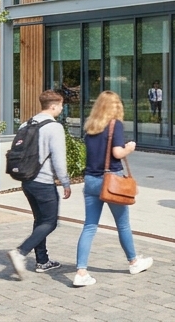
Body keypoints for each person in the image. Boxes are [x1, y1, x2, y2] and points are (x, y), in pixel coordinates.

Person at [73, 91, 153, 288]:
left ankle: (81, 271)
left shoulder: (91, 127)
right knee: (123, 224)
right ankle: (134, 262)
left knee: (89, 226)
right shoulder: (114, 125)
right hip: (110, 181)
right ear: (115, 107)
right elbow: (117, 152)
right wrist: (130, 148)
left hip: (90, 180)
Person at [7, 90, 73, 278]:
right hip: (43, 182)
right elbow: (59, 160)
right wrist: (66, 182)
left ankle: (42, 261)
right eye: (60, 105)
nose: (62, 108)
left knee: (40, 221)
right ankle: (20, 252)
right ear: (53, 106)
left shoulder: (27, 123)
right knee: (50, 222)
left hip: (27, 180)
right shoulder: (54, 127)